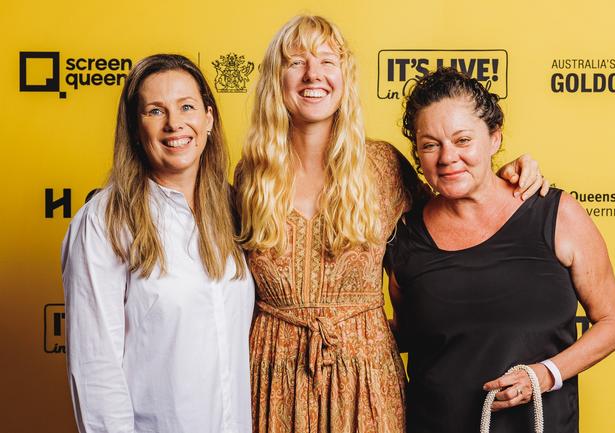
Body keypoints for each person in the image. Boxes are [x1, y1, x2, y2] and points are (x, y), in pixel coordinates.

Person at [235, 16, 547, 433]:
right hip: (272, 378)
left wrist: (502, 175)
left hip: (367, 380)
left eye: (327, 60)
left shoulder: (381, 167)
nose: (313, 74)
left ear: (345, 75)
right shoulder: (247, 178)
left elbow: (454, 214)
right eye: (295, 62)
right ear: (276, 78)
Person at [387, 67, 615, 433]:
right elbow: (406, 333)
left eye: (463, 140)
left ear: (495, 139)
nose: (447, 157)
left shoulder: (556, 213)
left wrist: (547, 374)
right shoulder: (404, 237)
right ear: (418, 156)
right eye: (430, 144)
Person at [61, 54, 255, 433]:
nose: (174, 124)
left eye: (186, 106)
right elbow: (95, 370)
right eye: (155, 111)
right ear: (135, 128)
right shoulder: (104, 222)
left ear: (209, 119)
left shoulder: (234, 210)